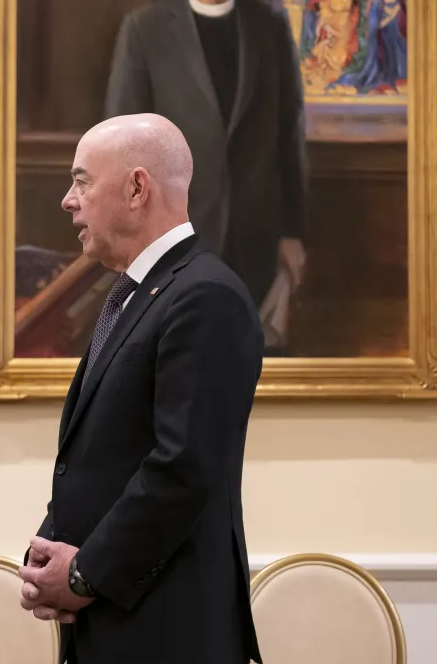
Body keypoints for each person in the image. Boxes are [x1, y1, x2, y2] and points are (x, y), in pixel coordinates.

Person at [18, 114, 263, 664]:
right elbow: (106, 455)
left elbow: (182, 467)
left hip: (166, 632)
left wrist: (81, 574)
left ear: (136, 188)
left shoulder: (204, 297)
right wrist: (48, 553)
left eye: (82, 182)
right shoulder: (138, 293)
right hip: (114, 621)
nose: (67, 200)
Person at [104, 0, 308, 352]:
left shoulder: (270, 26)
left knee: (248, 364)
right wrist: (129, 232)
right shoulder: (145, 29)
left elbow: (289, 134)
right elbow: (121, 142)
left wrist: (292, 231)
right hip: (173, 234)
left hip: (258, 234)